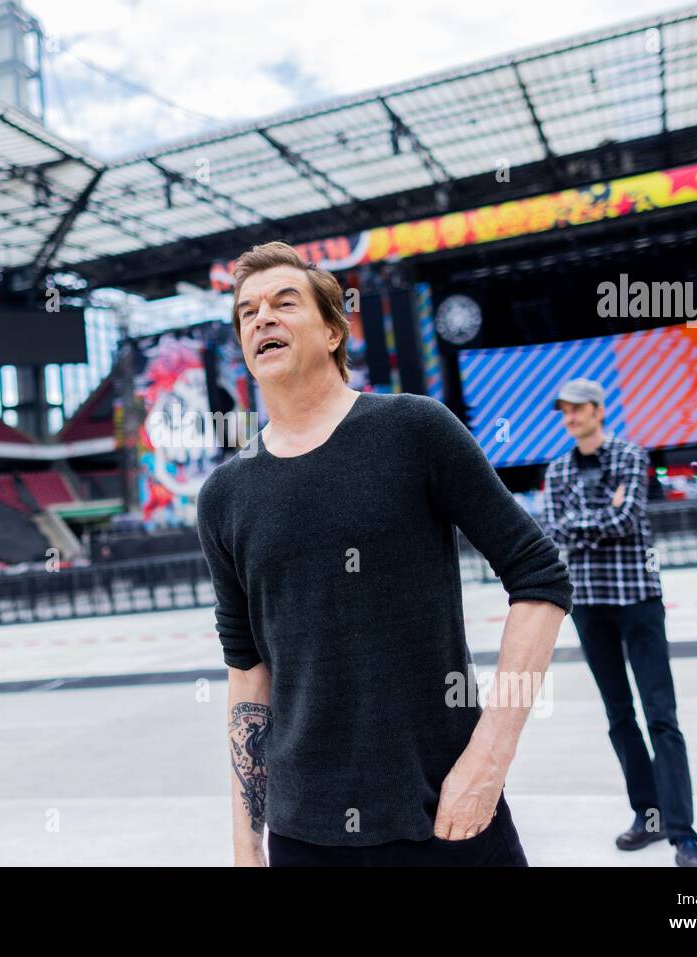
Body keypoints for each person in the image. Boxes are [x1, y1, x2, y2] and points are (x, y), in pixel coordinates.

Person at [195, 241, 573, 867]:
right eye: (247, 312)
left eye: (285, 303)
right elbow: (247, 672)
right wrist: (245, 843)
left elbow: (541, 579)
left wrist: (489, 758)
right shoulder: (225, 496)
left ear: (335, 330)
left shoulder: (414, 430)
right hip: (303, 838)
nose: (262, 317)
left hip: (447, 817)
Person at [541, 377, 697, 867]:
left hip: (638, 599)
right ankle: (648, 817)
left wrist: (583, 522)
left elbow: (628, 518)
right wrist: (598, 517)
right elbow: (554, 529)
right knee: (619, 717)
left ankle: (685, 838)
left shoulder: (631, 456)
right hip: (590, 604)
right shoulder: (557, 470)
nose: (569, 418)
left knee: (662, 717)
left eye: (576, 409)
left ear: (597, 409)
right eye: (564, 411)